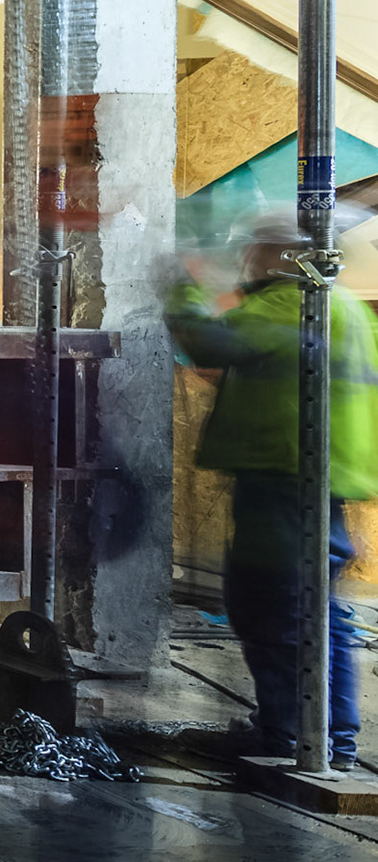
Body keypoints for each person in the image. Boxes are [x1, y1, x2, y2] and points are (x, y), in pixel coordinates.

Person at [170, 217, 378, 768]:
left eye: (258, 249)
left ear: (288, 256)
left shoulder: (293, 301)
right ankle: (330, 736)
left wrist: (179, 283)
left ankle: (291, 735)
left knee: (272, 607)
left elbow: (207, 342)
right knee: (315, 609)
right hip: (320, 478)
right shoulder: (345, 307)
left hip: (284, 476)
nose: (248, 259)